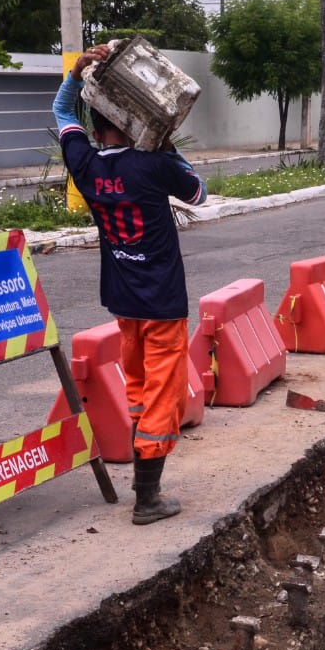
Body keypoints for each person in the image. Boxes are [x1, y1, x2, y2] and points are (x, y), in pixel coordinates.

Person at [53, 43, 207, 524]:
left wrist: (77, 71)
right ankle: (147, 498)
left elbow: (61, 110)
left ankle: (145, 485)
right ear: (138, 122)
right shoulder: (156, 165)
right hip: (162, 304)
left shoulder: (88, 165)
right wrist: (166, 144)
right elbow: (198, 191)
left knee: (138, 388)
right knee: (164, 394)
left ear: (97, 130)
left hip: (123, 304)